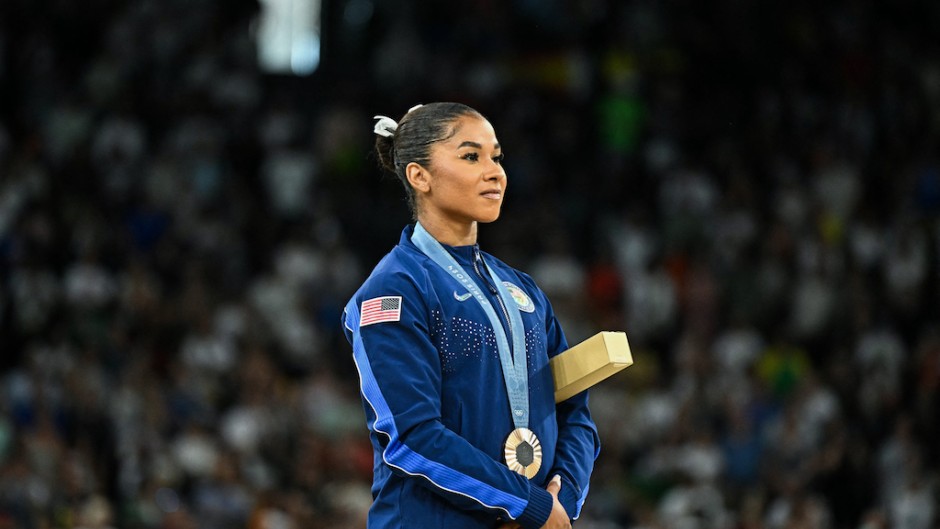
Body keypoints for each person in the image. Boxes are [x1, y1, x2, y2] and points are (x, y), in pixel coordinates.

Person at [342, 102, 600, 529]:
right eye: (470, 156)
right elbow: (412, 438)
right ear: (419, 176)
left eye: (496, 156)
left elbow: (576, 412)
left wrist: (562, 498)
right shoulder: (396, 289)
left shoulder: (524, 292)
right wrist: (526, 505)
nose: (494, 170)